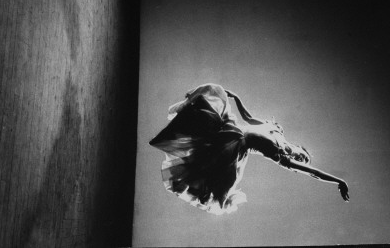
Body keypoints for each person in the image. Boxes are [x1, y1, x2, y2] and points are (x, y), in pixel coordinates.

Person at [149, 83, 350, 215]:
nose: (300, 159)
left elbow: (313, 173)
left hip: (235, 146)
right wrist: (236, 98)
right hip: (234, 130)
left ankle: (200, 182)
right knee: (213, 95)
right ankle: (190, 105)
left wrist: (338, 180)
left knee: (204, 171)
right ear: (299, 147)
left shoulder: (282, 158)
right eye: (303, 156)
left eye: (302, 161)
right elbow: (248, 118)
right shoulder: (276, 129)